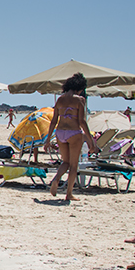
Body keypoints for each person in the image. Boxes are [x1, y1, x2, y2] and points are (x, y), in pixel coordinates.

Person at [44, 73, 95, 202]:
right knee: (73, 165)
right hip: (74, 133)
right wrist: (90, 141)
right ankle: (69, 194)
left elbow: (54, 121)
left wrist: (48, 139)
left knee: (65, 162)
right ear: (80, 88)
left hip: (60, 132)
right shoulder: (80, 100)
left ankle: (56, 179)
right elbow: (82, 121)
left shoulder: (60, 100)